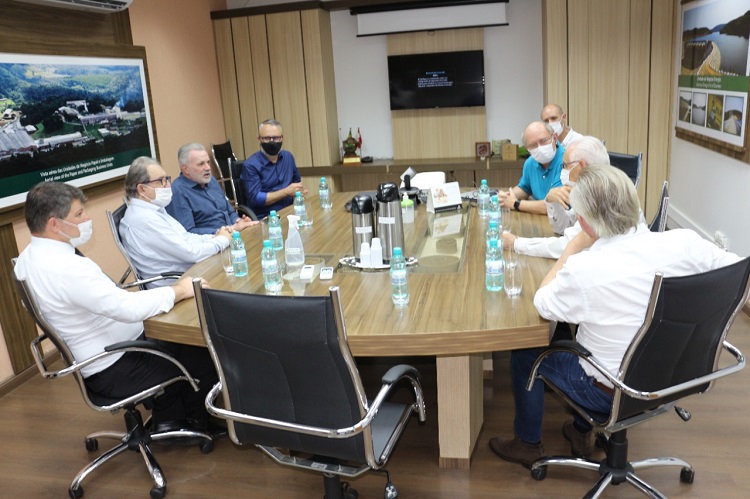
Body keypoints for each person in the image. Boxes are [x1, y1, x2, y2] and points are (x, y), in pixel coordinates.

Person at [488, 164, 741, 469]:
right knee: (580, 333)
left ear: (584, 221)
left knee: (527, 350)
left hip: (610, 392)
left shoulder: (585, 268)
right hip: (679, 376)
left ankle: (527, 443)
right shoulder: (685, 243)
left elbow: (543, 303)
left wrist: (574, 245)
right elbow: (740, 272)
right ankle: (580, 431)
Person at [14, 181, 221, 434]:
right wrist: (179, 290)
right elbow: (127, 309)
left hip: (98, 357)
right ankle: (187, 422)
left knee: (177, 340)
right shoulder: (67, 268)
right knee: (202, 351)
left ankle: (170, 413)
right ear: (54, 224)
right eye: (79, 214)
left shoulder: (26, 259)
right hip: (116, 365)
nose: (87, 219)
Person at [119, 156, 233, 287]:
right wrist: (222, 240)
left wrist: (214, 237)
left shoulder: (153, 210)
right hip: (178, 284)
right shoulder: (145, 220)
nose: (168, 185)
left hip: (190, 274)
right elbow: (191, 254)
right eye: (161, 181)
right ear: (142, 189)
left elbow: (186, 237)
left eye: (167, 179)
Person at [501, 136, 611, 258]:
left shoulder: (601, 196)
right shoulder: (589, 190)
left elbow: (567, 246)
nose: (562, 170)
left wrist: (517, 243)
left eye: (565, 165)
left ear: (581, 165)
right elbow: (563, 227)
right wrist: (551, 200)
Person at [166, 142, 258, 234]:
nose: (208, 168)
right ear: (185, 169)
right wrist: (228, 230)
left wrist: (239, 221)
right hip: (212, 240)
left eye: (208, 162)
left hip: (233, 235)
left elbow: (230, 212)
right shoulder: (177, 191)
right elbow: (188, 232)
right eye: (201, 164)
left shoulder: (212, 181)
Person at [240, 119, 307, 219]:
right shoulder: (250, 165)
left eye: (275, 138)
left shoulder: (288, 157)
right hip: (266, 218)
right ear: (259, 139)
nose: (272, 142)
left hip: (291, 213)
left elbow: (296, 182)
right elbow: (255, 198)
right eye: (267, 138)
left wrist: (299, 192)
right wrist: (286, 192)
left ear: (282, 138)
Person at [498, 122, 564, 215]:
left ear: (555, 137)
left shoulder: (568, 161)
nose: (540, 147)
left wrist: (515, 203)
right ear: (527, 149)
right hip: (539, 218)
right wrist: (505, 197)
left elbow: (555, 206)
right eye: (533, 145)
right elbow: (524, 189)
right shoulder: (530, 163)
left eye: (544, 140)